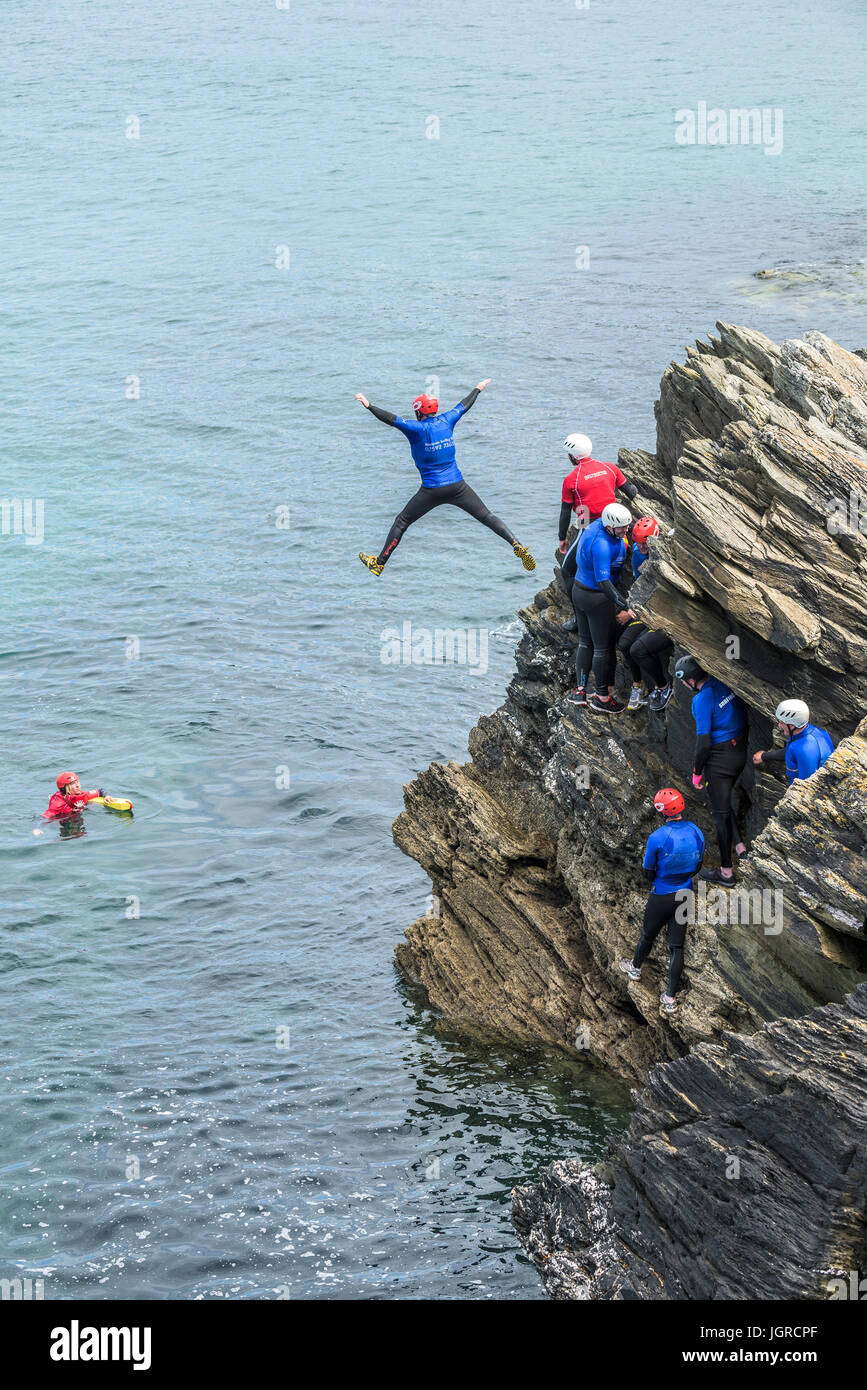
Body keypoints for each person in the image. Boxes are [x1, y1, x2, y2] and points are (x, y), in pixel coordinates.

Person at [354, 381, 535, 574]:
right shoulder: (447, 420)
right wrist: (478, 388)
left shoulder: (414, 429)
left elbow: (391, 419)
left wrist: (369, 405)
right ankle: (517, 544)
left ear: (419, 412)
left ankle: (379, 563)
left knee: (402, 521)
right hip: (458, 486)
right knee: (487, 516)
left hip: (431, 490)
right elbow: (464, 405)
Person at [619, 787, 705, 1014]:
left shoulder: (657, 837)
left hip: (662, 894)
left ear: (661, 811)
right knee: (676, 946)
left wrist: (662, 879)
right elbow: (698, 866)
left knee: (648, 934)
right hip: (685, 893)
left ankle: (635, 968)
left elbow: (648, 870)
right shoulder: (697, 831)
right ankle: (670, 997)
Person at [675, 656, 749, 884]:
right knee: (723, 801)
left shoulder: (702, 699)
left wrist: (697, 772)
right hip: (739, 752)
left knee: (719, 815)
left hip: (720, 759)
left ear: (688, 680)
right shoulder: (722, 682)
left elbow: (703, 742)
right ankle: (740, 847)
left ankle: (726, 872)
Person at [563, 502, 631, 714]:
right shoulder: (602, 544)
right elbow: (604, 582)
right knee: (602, 647)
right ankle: (602, 697)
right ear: (610, 526)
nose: (625, 530)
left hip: (579, 591)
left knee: (585, 642)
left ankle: (580, 691)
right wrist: (624, 604)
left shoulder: (594, 526)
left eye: (627, 526)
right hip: (596, 598)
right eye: (622, 528)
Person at [616, 516, 674, 711]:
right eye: (639, 544)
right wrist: (633, 610)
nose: (641, 548)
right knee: (624, 644)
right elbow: (640, 585)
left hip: (666, 614)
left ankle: (663, 687)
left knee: (637, 649)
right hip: (647, 609)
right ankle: (637, 685)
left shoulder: (665, 556)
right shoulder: (638, 554)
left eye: (645, 544)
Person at [557, 433, 638, 553]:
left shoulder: (571, 479)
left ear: (573, 456)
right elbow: (631, 492)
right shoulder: (610, 468)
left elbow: (565, 512)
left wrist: (562, 538)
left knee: (566, 570)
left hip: (588, 524)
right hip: (613, 520)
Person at [753, 700, 834, 784]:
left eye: (781, 722)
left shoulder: (804, 750)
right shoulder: (815, 733)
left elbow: (806, 787)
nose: (779, 726)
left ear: (792, 725)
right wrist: (764, 756)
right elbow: (791, 752)